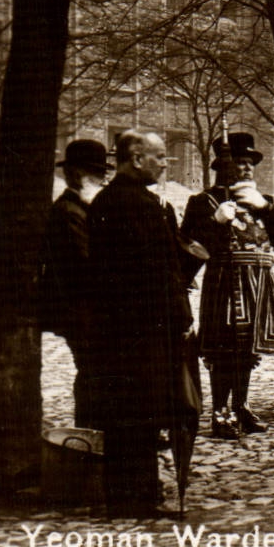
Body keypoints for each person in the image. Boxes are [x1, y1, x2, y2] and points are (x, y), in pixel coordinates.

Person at [84, 130, 198, 515]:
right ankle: (137, 497)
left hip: (121, 326)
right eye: (161, 156)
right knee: (142, 410)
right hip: (145, 327)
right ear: (136, 158)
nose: (167, 163)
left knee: (129, 411)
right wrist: (180, 316)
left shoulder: (109, 200)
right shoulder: (140, 206)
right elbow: (159, 271)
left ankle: (131, 493)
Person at [182, 131, 274, 438]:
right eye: (238, 163)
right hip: (224, 283)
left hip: (258, 283)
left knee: (247, 350)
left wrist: (268, 209)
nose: (245, 169)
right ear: (221, 166)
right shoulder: (203, 201)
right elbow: (189, 246)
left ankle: (241, 406)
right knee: (223, 350)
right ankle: (220, 411)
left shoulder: (262, 201)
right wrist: (214, 222)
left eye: (249, 163)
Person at [39, 138, 112, 430]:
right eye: (97, 175)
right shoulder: (69, 211)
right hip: (81, 309)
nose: (103, 181)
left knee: (97, 372)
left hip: (90, 308)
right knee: (93, 372)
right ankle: (91, 432)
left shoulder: (84, 209)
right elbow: (89, 262)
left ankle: (98, 430)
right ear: (78, 176)